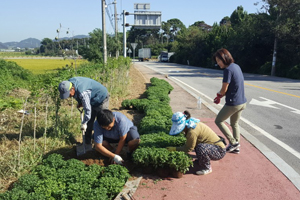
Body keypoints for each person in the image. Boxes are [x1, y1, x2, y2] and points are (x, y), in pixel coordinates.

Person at [167, 111, 226, 175]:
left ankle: (207, 168)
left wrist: (175, 149)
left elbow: (188, 148)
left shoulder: (192, 132)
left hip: (219, 150)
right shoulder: (191, 122)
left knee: (200, 147)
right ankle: (201, 161)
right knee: (197, 145)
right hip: (212, 147)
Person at [213, 48, 247, 154]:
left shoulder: (228, 70)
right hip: (242, 102)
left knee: (218, 121)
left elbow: (224, 89)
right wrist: (221, 96)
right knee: (234, 123)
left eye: (219, 60)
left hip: (233, 103)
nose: (218, 63)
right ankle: (236, 146)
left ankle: (233, 143)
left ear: (224, 58)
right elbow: (234, 86)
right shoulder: (236, 66)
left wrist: (219, 96)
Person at [58, 77, 109, 144]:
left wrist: (84, 123)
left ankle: (103, 143)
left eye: (69, 94)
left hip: (101, 98)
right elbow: (77, 95)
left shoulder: (83, 92)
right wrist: (80, 103)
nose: (69, 96)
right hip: (92, 99)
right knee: (89, 122)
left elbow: (88, 109)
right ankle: (87, 143)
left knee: (103, 121)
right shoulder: (68, 83)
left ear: (72, 89)